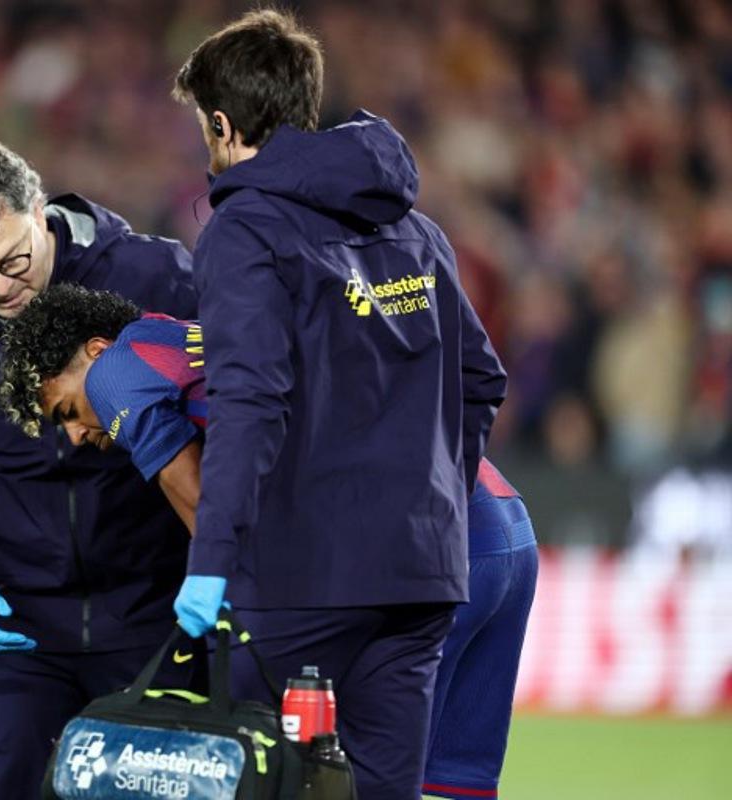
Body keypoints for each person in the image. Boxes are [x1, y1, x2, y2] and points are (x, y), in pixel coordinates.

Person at [0, 284, 537, 800]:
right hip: (501, 523)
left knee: (332, 765)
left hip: (422, 539)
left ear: (95, 350)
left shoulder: (116, 368)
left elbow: (197, 500)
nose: (74, 435)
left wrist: (222, 581)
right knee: (446, 781)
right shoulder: (183, 339)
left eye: (65, 410)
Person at [169, 10, 508, 800]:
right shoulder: (415, 229)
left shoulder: (245, 228)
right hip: (420, 575)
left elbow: (250, 401)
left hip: (300, 576)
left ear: (222, 124)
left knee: (241, 781)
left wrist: (211, 561)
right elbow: (481, 380)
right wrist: (433, 504)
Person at [0, 138, 198, 799]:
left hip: (156, 616)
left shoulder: (155, 277)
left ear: (39, 209)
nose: (0, 288)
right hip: (24, 633)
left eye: (11, 261)